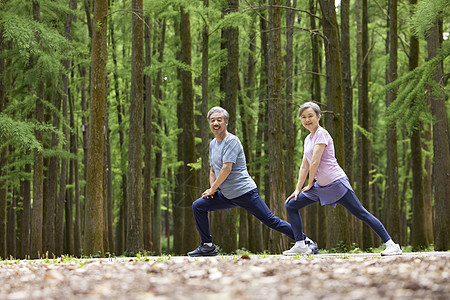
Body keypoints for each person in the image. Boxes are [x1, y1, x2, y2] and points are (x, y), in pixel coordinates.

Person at [188, 106, 318, 257]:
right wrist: (213, 190)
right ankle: (207, 246)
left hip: (245, 192)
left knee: (271, 221)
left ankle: (306, 241)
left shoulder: (232, 141)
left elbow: (226, 169)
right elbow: (213, 169)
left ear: (226, 122)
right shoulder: (212, 144)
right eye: (212, 120)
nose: (216, 123)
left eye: (219, 120)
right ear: (209, 124)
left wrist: (213, 189)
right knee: (198, 206)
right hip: (227, 194)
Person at [283, 101, 402, 256]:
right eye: (303, 117)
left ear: (318, 117)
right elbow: (304, 166)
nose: (307, 120)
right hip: (320, 188)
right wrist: (298, 189)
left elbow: (315, 161)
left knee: (361, 213)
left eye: (310, 116)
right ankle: (300, 244)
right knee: (292, 204)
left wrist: (310, 182)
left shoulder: (322, 134)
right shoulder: (307, 139)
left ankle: (392, 245)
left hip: (336, 184)